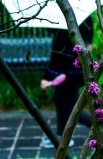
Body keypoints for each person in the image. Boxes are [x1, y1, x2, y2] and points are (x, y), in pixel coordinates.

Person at [40, 17, 93, 147]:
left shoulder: (65, 23)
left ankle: (100, 124)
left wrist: (47, 78)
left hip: (70, 70)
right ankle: (61, 135)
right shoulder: (83, 17)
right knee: (61, 101)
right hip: (73, 68)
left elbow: (58, 56)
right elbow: (89, 43)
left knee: (70, 107)